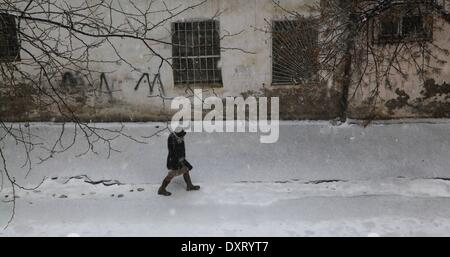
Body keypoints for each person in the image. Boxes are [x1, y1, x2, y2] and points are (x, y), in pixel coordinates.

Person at [158, 128, 200, 196]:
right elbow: (174, 152)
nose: (183, 137)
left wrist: (183, 159)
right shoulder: (172, 139)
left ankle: (189, 185)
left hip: (180, 158)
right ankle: (161, 189)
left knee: (186, 170)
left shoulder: (179, 137)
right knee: (171, 174)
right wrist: (182, 161)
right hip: (174, 160)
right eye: (181, 135)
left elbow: (181, 149)